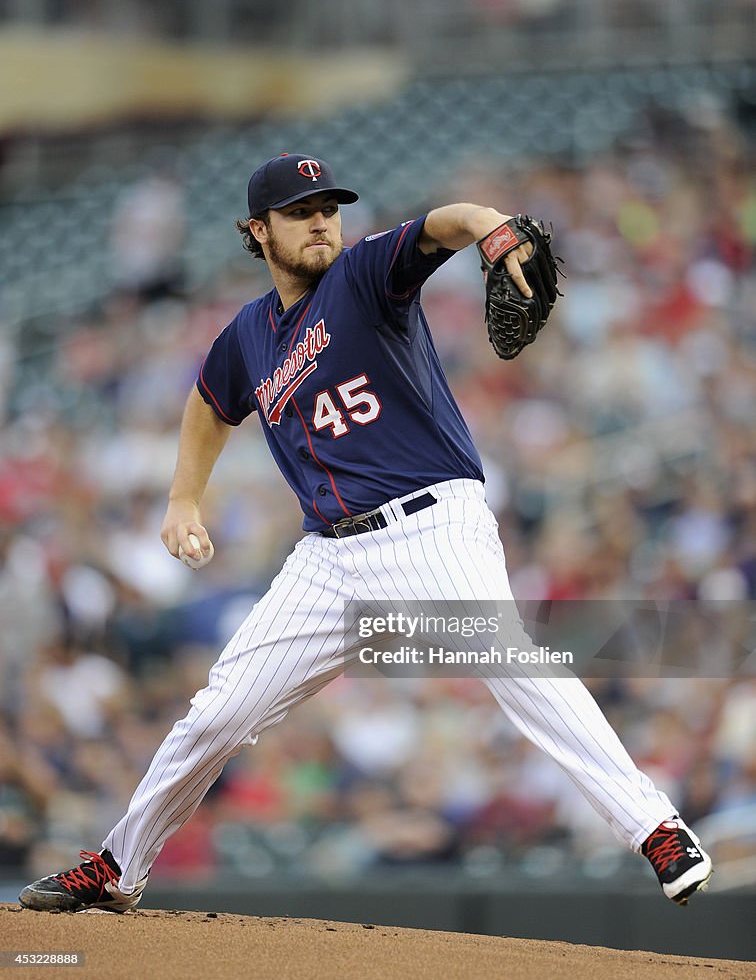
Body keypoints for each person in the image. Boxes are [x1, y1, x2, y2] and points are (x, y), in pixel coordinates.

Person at [19, 153, 712, 913]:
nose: (321, 221)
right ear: (259, 231)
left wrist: (489, 229)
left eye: (329, 207)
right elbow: (211, 403)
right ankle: (120, 866)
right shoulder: (249, 336)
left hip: (429, 526)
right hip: (326, 560)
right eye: (300, 211)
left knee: (511, 659)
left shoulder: (362, 276)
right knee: (217, 713)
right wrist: (184, 498)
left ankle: (657, 827)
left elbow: (440, 227)